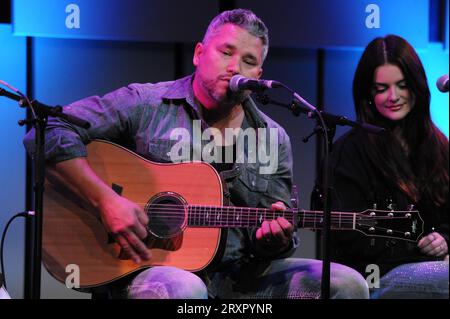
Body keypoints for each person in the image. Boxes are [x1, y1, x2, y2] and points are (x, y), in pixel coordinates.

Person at [24, 9, 368, 299]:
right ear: (199, 54)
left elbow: (274, 237)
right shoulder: (146, 103)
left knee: (346, 284)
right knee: (186, 291)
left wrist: (274, 238)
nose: (236, 67)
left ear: (259, 76)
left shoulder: (273, 138)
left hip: (243, 278)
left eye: (248, 61)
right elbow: (48, 130)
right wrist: (106, 201)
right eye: (226, 52)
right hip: (154, 269)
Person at [325, 35, 449, 298]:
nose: (393, 96)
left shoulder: (439, 145)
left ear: (416, 86)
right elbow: (347, 241)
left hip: (434, 267)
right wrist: (419, 250)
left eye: (402, 85)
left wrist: (444, 239)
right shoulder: (350, 151)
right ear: (368, 93)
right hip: (374, 274)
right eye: (381, 88)